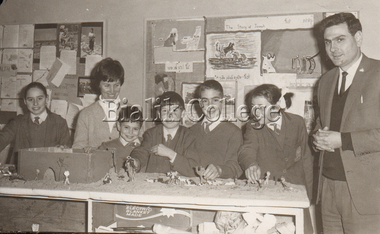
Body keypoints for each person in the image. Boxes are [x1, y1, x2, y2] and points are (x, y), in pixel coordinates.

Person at [313, 12, 380, 233]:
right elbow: (322, 123)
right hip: (328, 188)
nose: (333, 48)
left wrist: (343, 140)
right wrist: (317, 137)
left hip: (366, 193)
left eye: (340, 39)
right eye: (328, 42)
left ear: (358, 38)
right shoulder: (326, 80)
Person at [238, 84, 314, 233]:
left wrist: (309, 194)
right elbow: (246, 149)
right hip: (268, 193)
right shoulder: (252, 126)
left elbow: (306, 160)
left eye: (261, 107)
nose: (256, 113)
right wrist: (250, 164)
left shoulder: (297, 122)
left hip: (296, 190)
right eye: (253, 107)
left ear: (277, 105)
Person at [0, 82, 72, 165]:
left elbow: (67, 154)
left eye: (39, 98)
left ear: (47, 99)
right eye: (30, 99)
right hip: (21, 173)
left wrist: (63, 150)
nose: (35, 103)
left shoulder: (59, 123)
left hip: (49, 173)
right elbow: (2, 139)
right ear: (25, 101)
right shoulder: (18, 122)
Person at [131, 91, 198, 176]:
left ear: (183, 114)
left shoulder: (189, 137)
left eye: (174, 111)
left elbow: (193, 169)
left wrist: (170, 154)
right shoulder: (151, 134)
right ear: (159, 114)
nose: (169, 116)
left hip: (179, 187)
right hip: (154, 186)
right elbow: (142, 152)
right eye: (165, 111)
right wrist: (136, 161)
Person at [188, 79, 242, 179]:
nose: (210, 105)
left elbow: (236, 167)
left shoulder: (234, 133)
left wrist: (219, 170)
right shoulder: (191, 131)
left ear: (223, 102)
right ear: (200, 104)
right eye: (205, 100)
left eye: (215, 100)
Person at [73, 57, 125, 152]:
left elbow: (139, 146)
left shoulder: (132, 111)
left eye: (116, 85)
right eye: (107, 86)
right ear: (98, 85)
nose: (112, 91)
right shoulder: (86, 114)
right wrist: (87, 150)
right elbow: (78, 148)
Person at [99, 106, 143, 173]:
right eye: (126, 127)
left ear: (140, 129)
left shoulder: (146, 144)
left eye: (135, 129)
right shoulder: (106, 147)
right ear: (119, 126)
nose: (130, 132)